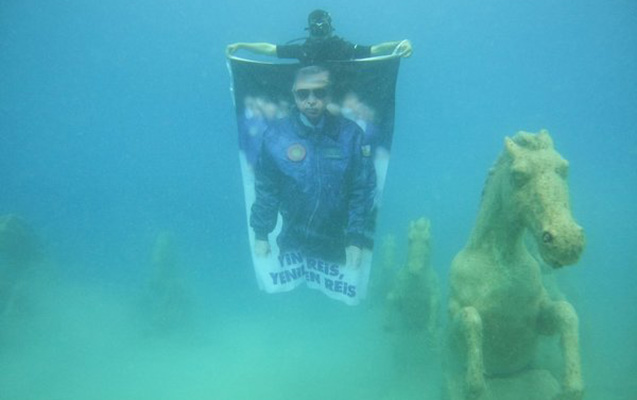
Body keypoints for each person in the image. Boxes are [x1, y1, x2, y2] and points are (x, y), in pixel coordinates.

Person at [249, 65, 376, 268]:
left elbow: (360, 189)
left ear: (329, 94)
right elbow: (267, 188)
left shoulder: (350, 135)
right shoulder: (276, 136)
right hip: (292, 241)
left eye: (319, 93)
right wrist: (261, 235)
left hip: (336, 242)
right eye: (303, 94)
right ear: (294, 95)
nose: (311, 100)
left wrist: (356, 239)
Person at [226, 9, 413, 64]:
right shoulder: (303, 50)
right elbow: (269, 49)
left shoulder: (343, 48)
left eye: (323, 28)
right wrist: (242, 45)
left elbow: (374, 50)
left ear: (330, 28)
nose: (319, 32)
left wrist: (400, 44)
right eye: (315, 29)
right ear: (309, 30)